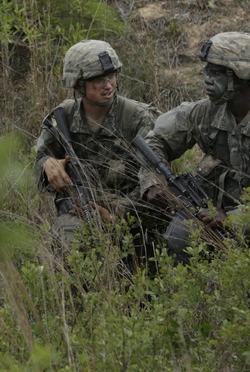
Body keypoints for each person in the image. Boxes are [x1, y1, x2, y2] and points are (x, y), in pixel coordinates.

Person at [139, 32, 250, 263]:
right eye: (206, 70)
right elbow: (155, 141)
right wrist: (153, 183)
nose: (207, 79)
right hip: (214, 214)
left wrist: (236, 219)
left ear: (241, 77)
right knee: (178, 238)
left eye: (215, 72)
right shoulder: (203, 112)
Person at [34, 40, 159, 265]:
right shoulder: (62, 117)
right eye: (98, 79)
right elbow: (37, 160)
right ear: (79, 84)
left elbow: (154, 181)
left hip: (134, 218)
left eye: (111, 76)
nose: (108, 85)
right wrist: (48, 164)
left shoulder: (138, 118)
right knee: (68, 251)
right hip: (79, 213)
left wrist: (117, 215)